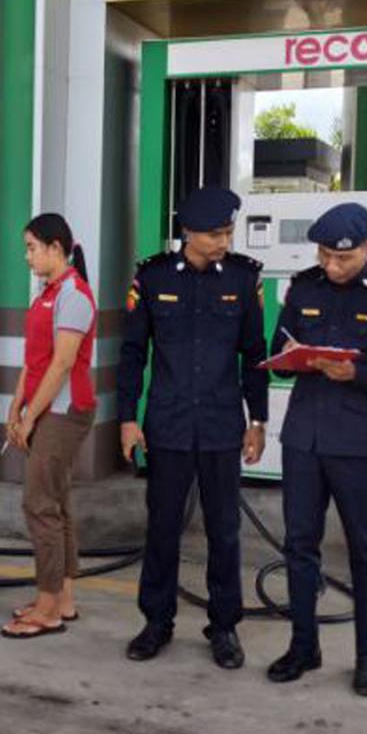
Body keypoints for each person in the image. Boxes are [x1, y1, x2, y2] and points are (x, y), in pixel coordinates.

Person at [267, 203, 367, 695]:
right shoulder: (303, 287)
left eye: (343, 258)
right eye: (325, 256)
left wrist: (358, 373)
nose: (332, 266)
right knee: (299, 544)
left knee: (366, 551)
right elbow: (276, 352)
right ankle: (303, 646)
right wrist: (290, 359)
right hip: (303, 438)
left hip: (356, 442)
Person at [118, 186, 269, 668]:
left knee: (225, 531)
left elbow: (255, 355)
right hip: (168, 425)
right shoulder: (152, 277)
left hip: (223, 425)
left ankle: (224, 627)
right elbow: (132, 354)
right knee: (162, 528)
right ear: (187, 232)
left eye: (228, 232)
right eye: (214, 234)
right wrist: (127, 418)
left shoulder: (244, 279)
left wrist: (258, 420)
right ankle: (156, 622)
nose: (224, 241)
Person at [1, 214, 98, 639]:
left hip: (64, 411)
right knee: (56, 504)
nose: (27, 256)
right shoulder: (48, 293)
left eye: (31, 248)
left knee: (40, 505)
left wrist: (29, 418)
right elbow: (34, 360)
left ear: (56, 248)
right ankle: (63, 599)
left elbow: (61, 365)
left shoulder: (74, 295)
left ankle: (46, 608)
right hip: (44, 408)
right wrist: (15, 407)